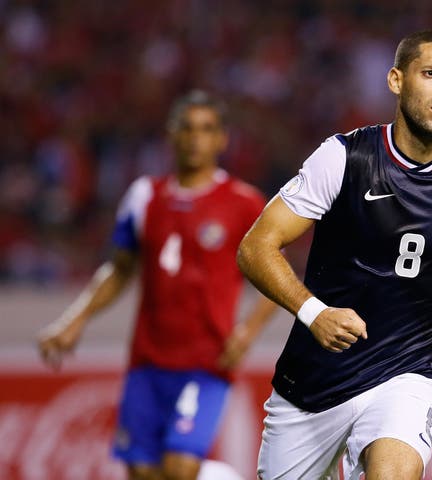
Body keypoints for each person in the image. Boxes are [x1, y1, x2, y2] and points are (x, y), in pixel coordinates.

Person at [237, 29, 432, 480]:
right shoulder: (345, 159)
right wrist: (314, 313)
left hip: (406, 376)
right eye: (431, 73)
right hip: (311, 387)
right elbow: (255, 247)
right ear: (396, 80)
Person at [38, 90, 277, 480]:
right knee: (143, 472)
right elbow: (118, 269)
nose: (195, 138)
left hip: (206, 363)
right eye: (187, 128)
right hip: (147, 363)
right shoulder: (144, 196)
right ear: (172, 135)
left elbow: (277, 273)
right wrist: (73, 321)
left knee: (179, 467)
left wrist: (247, 331)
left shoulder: (243, 203)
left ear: (222, 139)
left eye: (206, 129)